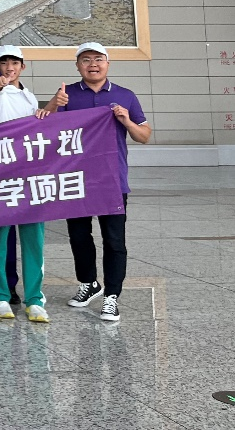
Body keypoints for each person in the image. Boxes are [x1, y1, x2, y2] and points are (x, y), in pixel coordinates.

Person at [44, 41, 150, 323]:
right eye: (86, 60)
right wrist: (54, 104)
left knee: (114, 239)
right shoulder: (66, 95)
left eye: (98, 59)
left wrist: (126, 121)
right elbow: (43, 129)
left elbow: (144, 135)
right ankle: (89, 283)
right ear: (77, 65)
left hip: (112, 180)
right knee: (79, 236)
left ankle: (112, 296)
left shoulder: (125, 95)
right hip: (76, 179)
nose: (93, 64)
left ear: (108, 63)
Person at [0, 46, 49, 323]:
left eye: (14, 63)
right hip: (3, 174)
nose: (9, 67)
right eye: (4, 63)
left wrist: (49, 110)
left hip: (30, 174)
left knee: (34, 239)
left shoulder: (29, 96)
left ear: (23, 66)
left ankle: (34, 298)